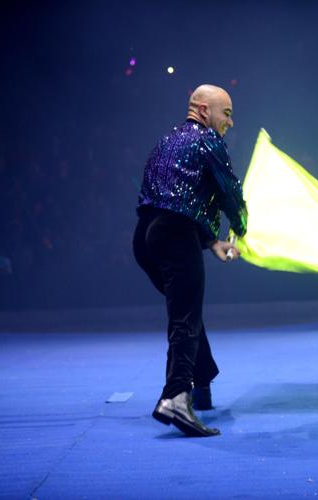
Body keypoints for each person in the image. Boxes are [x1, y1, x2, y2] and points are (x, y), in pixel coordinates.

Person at [132, 84, 247, 437]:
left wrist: (211, 241)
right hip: (175, 235)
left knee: (187, 310)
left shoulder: (167, 141)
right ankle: (176, 398)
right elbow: (229, 190)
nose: (230, 121)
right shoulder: (207, 140)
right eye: (225, 112)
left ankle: (203, 379)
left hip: (145, 238)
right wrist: (241, 228)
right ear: (202, 109)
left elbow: (174, 200)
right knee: (184, 318)